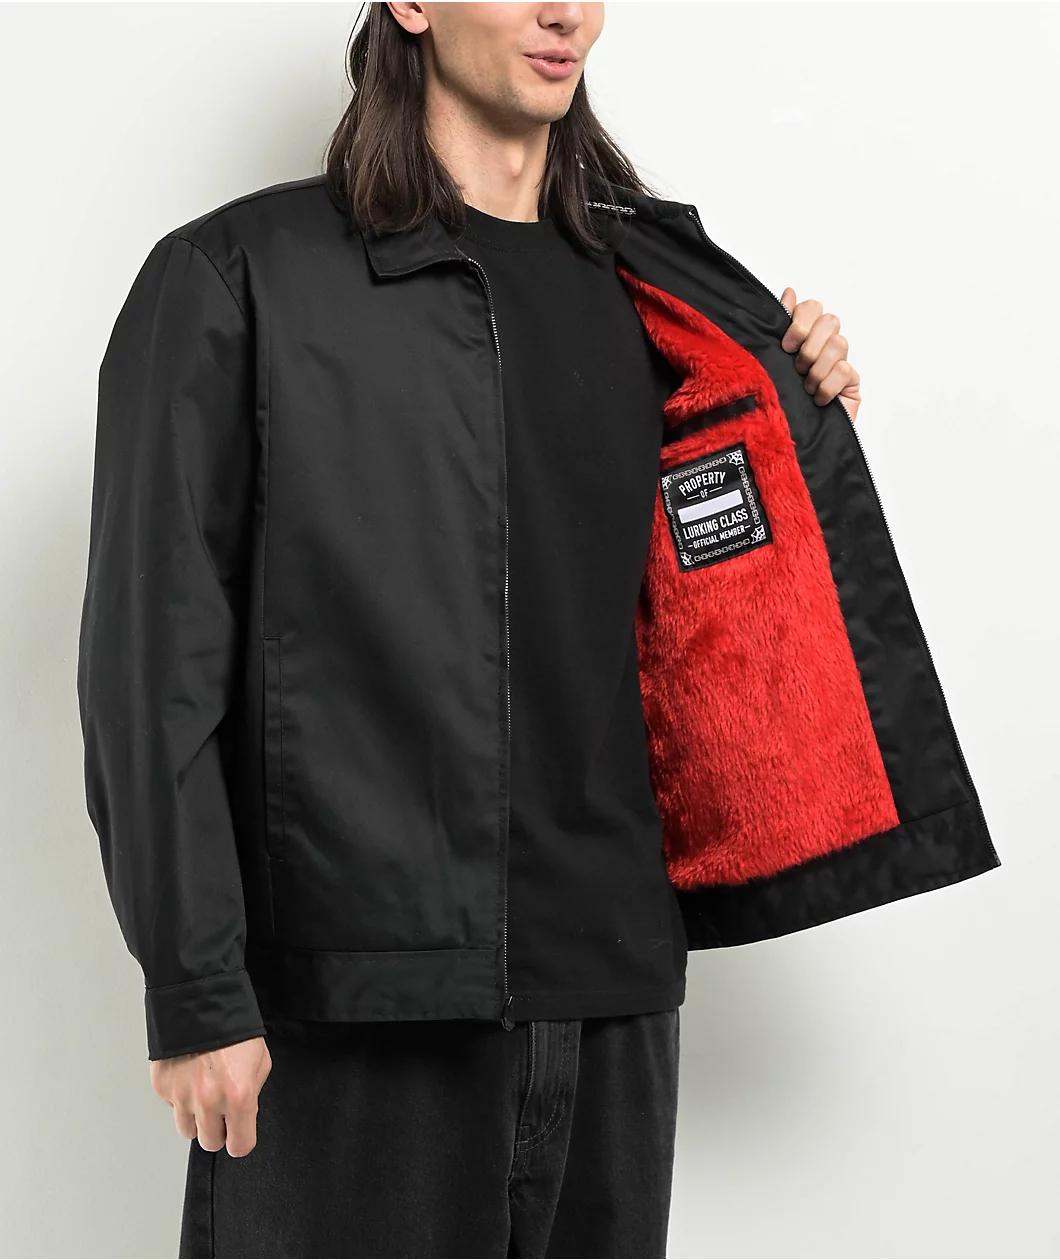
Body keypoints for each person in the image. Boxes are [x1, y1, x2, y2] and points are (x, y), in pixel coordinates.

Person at [75, 4, 1000, 1257]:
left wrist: (787, 398)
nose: (565, 11)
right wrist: (197, 993)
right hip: (355, 1008)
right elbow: (151, 666)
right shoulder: (241, 278)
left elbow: (700, 603)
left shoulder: (658, 291)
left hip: (613, 997)